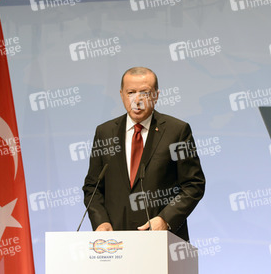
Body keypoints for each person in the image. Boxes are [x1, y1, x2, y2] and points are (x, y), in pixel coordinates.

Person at [82, 67, 205, 241]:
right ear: (121, 94)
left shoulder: (176, 131)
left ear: (156, 95)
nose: (137, 100)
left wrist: (166, 219)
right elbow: (92, 188)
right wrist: (100, 222)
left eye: (144, 93)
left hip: (162, 241)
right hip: (115, 244)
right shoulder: (105, 133)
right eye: (130, 92)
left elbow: (193, 184)